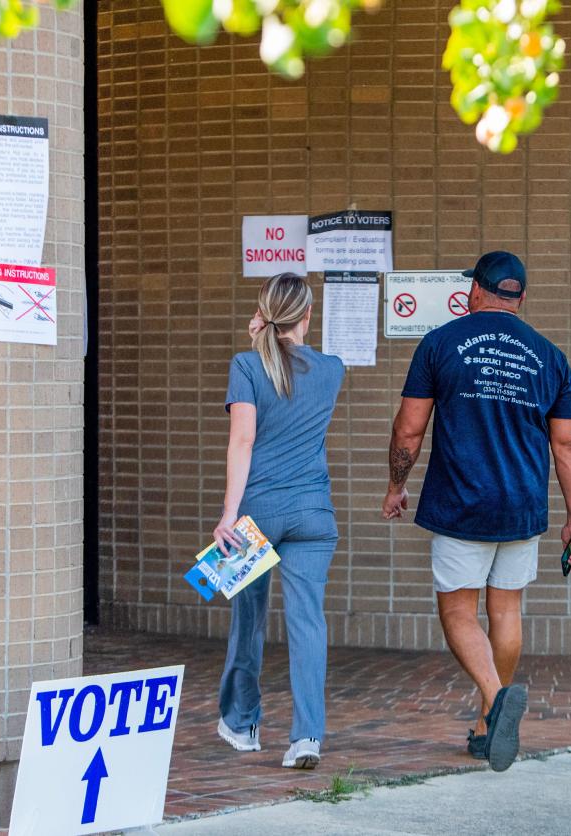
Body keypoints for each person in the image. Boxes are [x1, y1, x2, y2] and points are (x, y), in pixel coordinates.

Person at [381, 251, 571, 773]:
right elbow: (567, 446)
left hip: (461, 503)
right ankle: (482, 727)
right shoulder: (550, 356)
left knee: (457, 611)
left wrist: (396, 485)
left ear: (475, 290)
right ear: (521, 298)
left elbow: (409, 429)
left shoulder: (440, 344)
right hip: (522, 505)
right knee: (507, 612)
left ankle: (495, 701)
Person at [213, 272, 345, 770]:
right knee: (308, 621)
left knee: (248, 619)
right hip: (314, 514)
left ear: (262, 313)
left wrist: (229, 514)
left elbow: (242, 441)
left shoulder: (246, 364)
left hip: (258, 513)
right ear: (308, 315)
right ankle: (307, 737)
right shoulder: (333, 368)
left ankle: (243, 724)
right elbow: (294, 368)